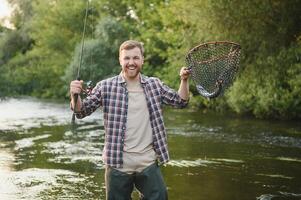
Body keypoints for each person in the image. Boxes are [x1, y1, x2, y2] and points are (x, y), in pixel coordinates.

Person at [70, 40, 190, 200]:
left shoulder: (154, 84)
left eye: (135, 58)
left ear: (142, 60)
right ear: (120, 60)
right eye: (127, 58)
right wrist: (74, 95)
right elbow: (81, 111)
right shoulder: (105, 86)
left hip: (147, 161)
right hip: (117, 162)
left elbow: (181, 101)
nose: (131, 62)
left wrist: (184, 80)